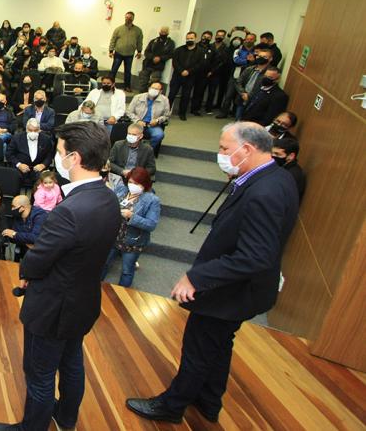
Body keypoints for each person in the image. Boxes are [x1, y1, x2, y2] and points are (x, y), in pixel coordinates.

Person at [126, 122, 299, 425]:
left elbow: (255, 256)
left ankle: (171, 406)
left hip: (230, 291)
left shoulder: (265, 191)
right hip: (240, 289)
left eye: (224, 148)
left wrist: (196, 277)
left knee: (199, 349)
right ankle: (208, 400)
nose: (220, 154)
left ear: (247, 149)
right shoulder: (276, 177)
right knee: (219, 345)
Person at [0, 122, 120, 431]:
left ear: (74, 158)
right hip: (83, 300)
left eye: (60, 152)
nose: (57, 158)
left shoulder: (69, 210)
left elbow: (39, 257)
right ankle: (66, 418)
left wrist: (27, 273)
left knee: (40, 374)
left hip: (52, 307)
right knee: (72, 363)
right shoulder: (108, 198)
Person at [100, 167, 161, 287]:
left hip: (133, 242)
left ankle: (122, 295)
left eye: (137, 184)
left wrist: (131, 217)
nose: (132, 186)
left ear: (145, 184)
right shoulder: (121, 189)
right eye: (131, 182)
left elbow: (151, 224)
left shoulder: (152, 200)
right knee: (103, 264)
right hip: (113, 237)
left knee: (127, 270)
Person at [168, 32, 207, 120]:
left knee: (186, 96)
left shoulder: (201, 52)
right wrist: (181, 71)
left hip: (190, 77)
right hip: (177, 76)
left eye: (191, 38)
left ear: (195, 39)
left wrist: (188, 71)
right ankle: (166, 112)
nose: (189, 40)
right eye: (188, 38)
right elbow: (175, 62)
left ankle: (182, 113)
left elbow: (200, 64)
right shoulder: (179, 50)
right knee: (172, 94)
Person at [126, 81, 171, 150]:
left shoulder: (164, 100)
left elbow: (166, 115)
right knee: (131, 134)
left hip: (152, 125)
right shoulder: (138, 97)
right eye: (152, 88)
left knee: (159, 135)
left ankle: (147, 150)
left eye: (156, 89)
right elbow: (129, 112)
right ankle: (131, 149)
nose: (154, 90)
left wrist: (157, 120)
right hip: (137, 124)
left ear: (160, 91)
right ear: (149, 88)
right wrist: (137, 120)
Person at [7, 118, 54, 186]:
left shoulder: (46, 139)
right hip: (20, 168)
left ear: (39, 129)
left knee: (43, 180)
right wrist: (19, 164)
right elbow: (9, 154)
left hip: (38, 169)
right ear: (26, 129)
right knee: (13, 178)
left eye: (35, 130)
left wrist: (43, 165)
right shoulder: (16, 138)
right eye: (30, 130)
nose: (33, 132)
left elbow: (49, 155)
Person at [2, 195, 48, 260]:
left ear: (22, 208)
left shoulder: (40, 215)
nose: (12, 209)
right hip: (25, 249)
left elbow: (35, 238)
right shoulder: (18, 215)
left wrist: (15, 234)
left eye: (14, 206)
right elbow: (12, 239)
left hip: (41, 252)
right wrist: (26, 240)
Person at [108, 11, 144, 92]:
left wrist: (139, 51)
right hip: (118, 53)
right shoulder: (118, 29)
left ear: (133, 18)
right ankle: (110, 85)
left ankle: (127, 86)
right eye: (127, 17)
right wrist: (111, 51)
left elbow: (139, 42)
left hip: (130, 54)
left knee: (128, 71)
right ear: (125, 18)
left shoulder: (138, 30)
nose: (128, 19)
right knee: (114, 70)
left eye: (130, 17)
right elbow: (113, 40)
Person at [138, 26, 175, 91]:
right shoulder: (153, 41)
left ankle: (151, 94)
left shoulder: (170, 43)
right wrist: (152, 57)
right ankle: (142, 93)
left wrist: (160, 58)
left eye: (164, 32)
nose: (162, 33)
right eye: (161, 32)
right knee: (143, 80)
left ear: (167, 33)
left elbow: (170, 54)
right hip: (148, 64)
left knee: (154, 82)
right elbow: (146, 51)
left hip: (159, 66)